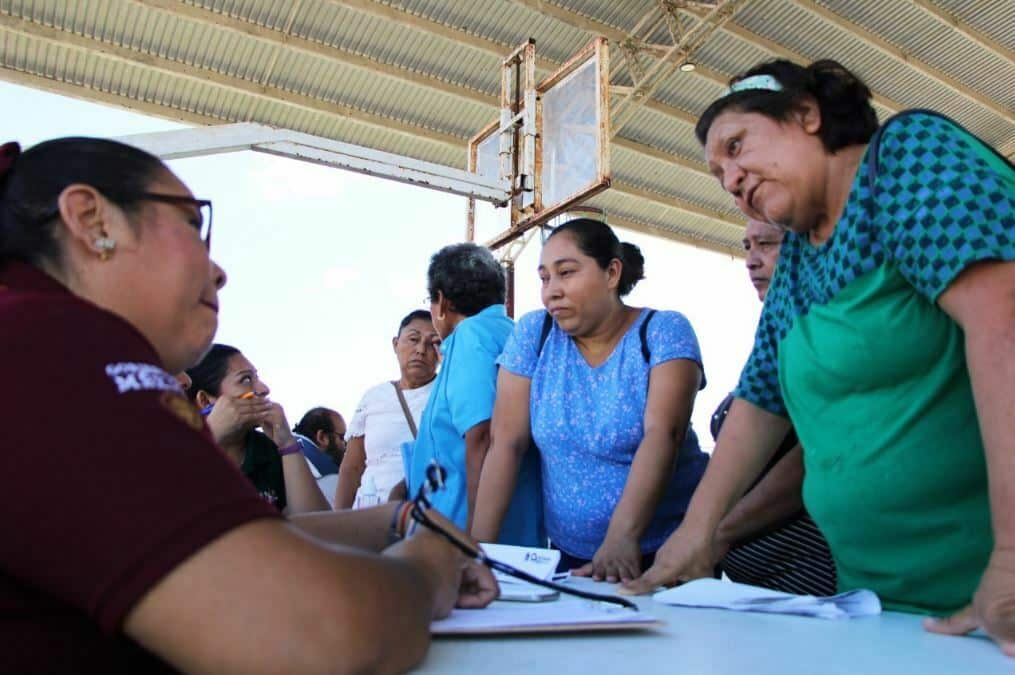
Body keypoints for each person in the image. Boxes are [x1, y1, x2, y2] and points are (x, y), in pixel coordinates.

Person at [0, 136, 496, 673]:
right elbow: (314, 632)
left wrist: (399, 519)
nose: (219, 272)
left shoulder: (43, 347)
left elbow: (231, 540)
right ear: (92, 220)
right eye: (194, 225)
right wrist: (427, 567)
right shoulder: (54, 349)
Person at [623, 59, 1015, 654]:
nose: (730, 179)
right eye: (718, 172)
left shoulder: (904, 158)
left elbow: (1004, 320)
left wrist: (1012, 559)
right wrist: (695, 535)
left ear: (806, 114)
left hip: (994, 598)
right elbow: (759, 402)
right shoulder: (800, 261)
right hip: (886, 605)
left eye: (737, 145)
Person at [472, 218, 709, 582]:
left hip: (670, 550)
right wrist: (477, 553)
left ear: (612, 273)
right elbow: (506, 444)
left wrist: (621, 538)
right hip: (570, 554)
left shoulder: (662, 332)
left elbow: (664, 434)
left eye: (566, 272)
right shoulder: (535, 334)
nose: (551, 290)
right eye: (544, 278)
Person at [709, 218, 836, 596]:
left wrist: (715, 532)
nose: (751, 260)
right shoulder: (777, 333)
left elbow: (812, 458)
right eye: (747, 246)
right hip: (759, 579)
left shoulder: (825, 336)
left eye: (766, 244)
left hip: (810, 575)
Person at [406, 242, 544, 545]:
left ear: (441, 302)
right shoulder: (511, 332)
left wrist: (475, 541)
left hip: (464, 534)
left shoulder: (470, 336)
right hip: (518, 528)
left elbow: (481, 435)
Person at [186, 344, 331, 515]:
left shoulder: (266, 450)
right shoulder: (176, 454)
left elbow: (316, 524)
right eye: (245, 380)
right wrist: (211, 436)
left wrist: (288, 445)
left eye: (257, 378)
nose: (263, 389)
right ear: (204, 400)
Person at [335, 310, 439, 509]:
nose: (421, 350)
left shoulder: (447, 393)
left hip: (425, 515)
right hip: (368, 514)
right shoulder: (373, 397)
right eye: (413, 339)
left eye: (433, 343)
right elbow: (352, 468)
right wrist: (338, 520)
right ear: (395, 344)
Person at [294, 406, 346, 474]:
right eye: (342, 437)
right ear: (322, 437)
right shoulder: (322, 471)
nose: (346, 443)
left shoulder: (288, 446)